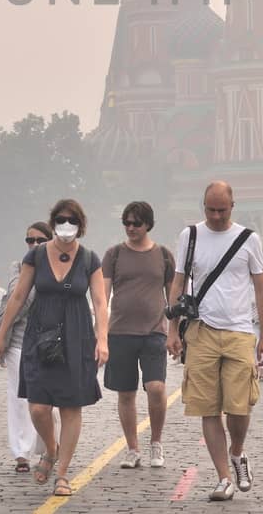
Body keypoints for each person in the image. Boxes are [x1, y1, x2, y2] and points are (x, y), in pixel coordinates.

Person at [0, 199, 108, 499]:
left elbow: (99, 303)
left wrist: (103, 340)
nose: (66, 226)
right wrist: (1, 336)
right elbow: (18, 298)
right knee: (39, 407)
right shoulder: (36, 256)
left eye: (71, 221)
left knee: (71, 407)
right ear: (53, 222)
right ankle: (51, 448)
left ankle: (62, 472)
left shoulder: (90, 259)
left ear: (80, 225)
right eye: (60, 220)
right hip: (40, 336)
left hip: (77, 337)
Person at [165, 181, 263, 502]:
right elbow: (179, 282)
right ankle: (223, 476)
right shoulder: (190, 236)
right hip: (201, 331)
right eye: (209, 210)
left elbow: (261, 288)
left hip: (239, 331)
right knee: (208, 408)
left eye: (221, 210)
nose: (215, 216)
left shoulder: (248, 239)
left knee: (239, 407)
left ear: (232, 206)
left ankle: (237, 453)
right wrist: (172, 329)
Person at [102, 200, 174, 471]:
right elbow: (102, 294)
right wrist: (100, 331)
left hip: (154, 331)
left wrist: (175, 331)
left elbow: (172, 296)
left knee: (156, 388)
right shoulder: (114, 254)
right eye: (126, 223)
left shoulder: (164, 255)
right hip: (120, 332)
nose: (130, 228)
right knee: (126, 393)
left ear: (148, 225)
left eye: (136, 223)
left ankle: (156, 442)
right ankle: (132, 448)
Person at [0, 221, 52, 473]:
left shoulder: (58, 267)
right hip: (19, 342)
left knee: (48, 401)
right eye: (30, 241)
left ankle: (48, 448)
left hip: (49, 343)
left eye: (40, 240)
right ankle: (21, 452)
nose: (35, 245)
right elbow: (17, 301)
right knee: (19, 399)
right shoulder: (19, 268)